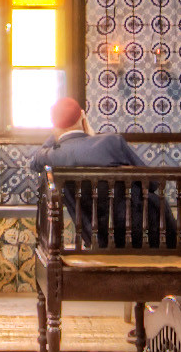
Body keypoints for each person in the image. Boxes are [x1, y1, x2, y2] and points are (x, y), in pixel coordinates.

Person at [29, 98, 171, 247]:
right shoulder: (111, 142)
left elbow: (35, 161)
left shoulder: (53, 155)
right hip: (145, 232)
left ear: (54, 125)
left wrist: (56, 134)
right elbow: (153, 182)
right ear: (82, 117)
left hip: (97, 238)